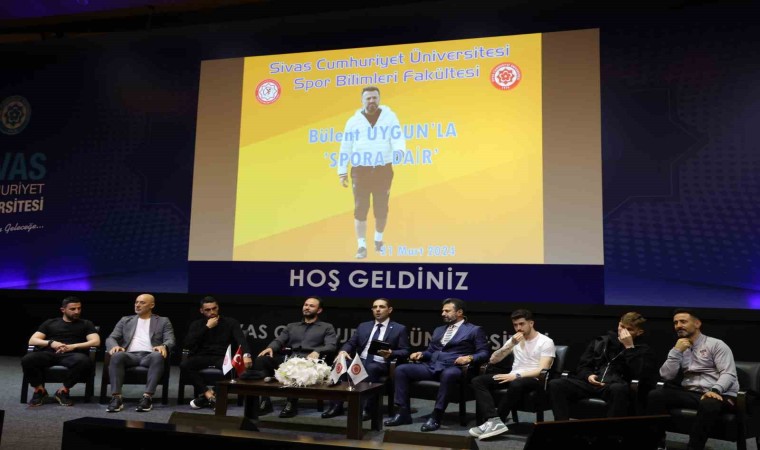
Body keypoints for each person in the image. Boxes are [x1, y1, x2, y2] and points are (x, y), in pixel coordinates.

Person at [384, 298, 490, 432]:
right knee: (401, 369)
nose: (443, 313)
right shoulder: (439, 330)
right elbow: (431, 351)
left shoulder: (474, 330)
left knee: (448, 374)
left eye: (447, 311)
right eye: (442, 311)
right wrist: (422, 354)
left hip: (455, 368)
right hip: (433, 366)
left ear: (459, 312)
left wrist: (469, 357)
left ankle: (436, 415)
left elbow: (484, 353)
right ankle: (403, 412)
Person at [646, 308, 738, 450]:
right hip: (692, 393)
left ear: (697, 324)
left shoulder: (716, 344)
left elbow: (729, 373)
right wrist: (676, 351)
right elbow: (666, 376)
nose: (678, 326)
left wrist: (715, 390)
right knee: (655, 395)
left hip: (719, 394)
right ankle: (657, 444)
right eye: (675, 322)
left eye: (683, 321)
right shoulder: (679, 348)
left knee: (709, 403)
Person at [548, 311, 656, 422]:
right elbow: (583, 366)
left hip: (614, 386)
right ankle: (562, 427)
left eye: (629, 329)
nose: (623, 332)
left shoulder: (643, 350)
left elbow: (640, 374)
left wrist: (629, 348)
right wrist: (588, 375)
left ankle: (609, 431)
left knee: (618, 389)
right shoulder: (602, 342)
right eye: (621, 326)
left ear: (639, 332)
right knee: (556, 384)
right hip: (592, 383)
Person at [337, 86, 406, 259]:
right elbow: (345, 146)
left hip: (383, 170)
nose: (371, 101)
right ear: (362, 101)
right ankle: (361, 246)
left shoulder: (389, 118)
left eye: (374, 98)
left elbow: (397, 137)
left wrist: (399, 150)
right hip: (360, 171)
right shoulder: (353, 122)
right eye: (368, 98)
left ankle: (378, 241)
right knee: (360, 208)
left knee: (381, 209)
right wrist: (342, 171)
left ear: (379, 99)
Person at [468, 309, 555, 440]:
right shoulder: (514, 340)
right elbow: (493, 360)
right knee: (478, 381)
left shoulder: (546, 341)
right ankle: (493, 420)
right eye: (515, 325)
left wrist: (516, 375)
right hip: (513, 376)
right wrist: (511, 344)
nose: (518, 328)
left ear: (531, 323)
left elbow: (542, 370)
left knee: (516, 383)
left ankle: (499, 419)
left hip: (534, 379)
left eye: (522, 324)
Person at [248, 296, 337, 418]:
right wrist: (271, 348)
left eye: (311, 306)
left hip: (311, 362)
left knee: (297, 368)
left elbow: (331, 346)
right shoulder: (292, 326)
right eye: (306, 305)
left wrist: (317, 351)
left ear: (319, 310)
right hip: (290, 360)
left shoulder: (326, 327)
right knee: (262, 360)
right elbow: (279, 340)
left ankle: (291, 403)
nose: (307, 307)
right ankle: (265, 401)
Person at [322, 298, 410, 420]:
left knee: (370, 367)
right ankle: (336, 405)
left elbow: (405, 351)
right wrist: (343, 351)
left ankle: (367, 408)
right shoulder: (364, 326)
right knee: (341, 363)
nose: (377, 310)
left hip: (380, 363)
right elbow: (351, 343)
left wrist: (391, 353)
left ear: (389, 310)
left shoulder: (399, 328)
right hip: (361, 360)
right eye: (375, 307)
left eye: (381, 307)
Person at [21, 296, 101, 407]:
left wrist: (73, 346)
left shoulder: (86, 324)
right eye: (73, 309)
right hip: (50, 353)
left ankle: (63, 391)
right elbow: (32, 340)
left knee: (85, 361)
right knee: (28, 359)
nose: (77, 311)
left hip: (72, 354)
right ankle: (39, 390)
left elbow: (96, 341)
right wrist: (51, 343)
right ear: (63, 310)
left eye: (79, 308)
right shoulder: (50, 323)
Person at [104, 293, 175, 413]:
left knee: (158, 355)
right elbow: (111, 338)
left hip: (150, 355)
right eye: (136, 302)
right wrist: (115, 346)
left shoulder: (163, 321)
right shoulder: (125, 320)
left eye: (142, 303)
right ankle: (116, 398)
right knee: (117, 355)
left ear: (152, 305)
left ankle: (147, 397)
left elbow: (170, 339)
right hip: (129, 355)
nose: (137, 305)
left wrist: (164, 346)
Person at [180, 296, 252, 409]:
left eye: (214, 308)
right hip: (202, 356)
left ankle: (208, 396)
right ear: (202, 311)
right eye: (208, 310)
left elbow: (241, 340)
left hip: (222, 357)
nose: (212, 312)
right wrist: (206, 327)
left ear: (218, 308)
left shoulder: (231, 322)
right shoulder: (197, 324)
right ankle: (208, 394)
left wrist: (246, 355)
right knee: (185, 365)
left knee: (233, 367)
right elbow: (187, 344)